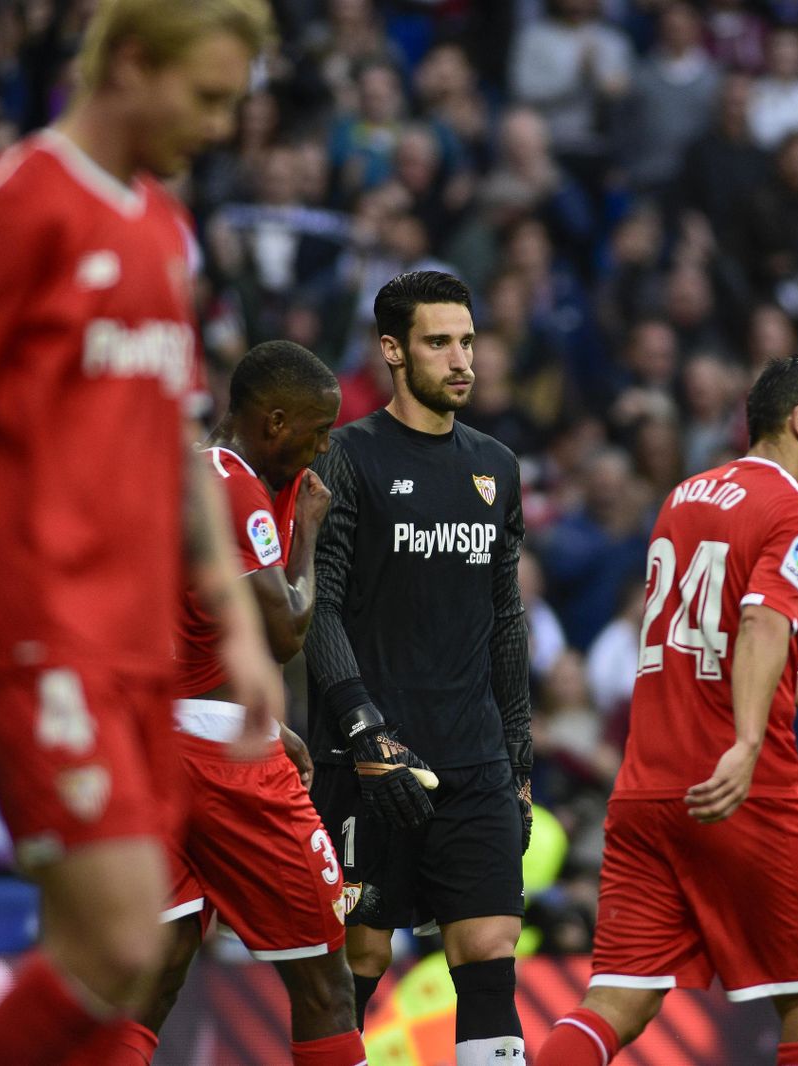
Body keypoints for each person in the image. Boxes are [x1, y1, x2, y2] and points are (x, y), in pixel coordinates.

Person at [0, 3, 283, 1063]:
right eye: (206, 97)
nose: (221, 125)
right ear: (132, 65)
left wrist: (234, 617)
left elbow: (176, 439)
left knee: (122, 957)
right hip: (40, 631)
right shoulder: (23, 201)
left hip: (140, 644)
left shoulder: (163, 226)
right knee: (113, 931)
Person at [539, 356, 798, 1066]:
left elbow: (705, 652)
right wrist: (745, 744)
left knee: (617, 1000)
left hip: (648, 788)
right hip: (745, 790)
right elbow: (762, 626)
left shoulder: (683, 496)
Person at [76, 341, 364, 1064]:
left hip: (163, 744)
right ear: (272, 421)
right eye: (317, 430)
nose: (323, 447)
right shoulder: (233, 486)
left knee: (159, 972)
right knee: (327, 980)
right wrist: (309, 533)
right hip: (222, 767)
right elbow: (286, 630)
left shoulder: (190, 475)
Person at [303, 270, 532, 1065]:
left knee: (489, 949)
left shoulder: (497, 466)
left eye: (468, 341)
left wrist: (520, 759)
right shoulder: (346, 458)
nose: (461, 359)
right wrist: (365, 729)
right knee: (356, 964)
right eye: (440, 343)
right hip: (367, 763)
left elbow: (505, 619)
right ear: (393, 351)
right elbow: (318, 609)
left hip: (473, 760)